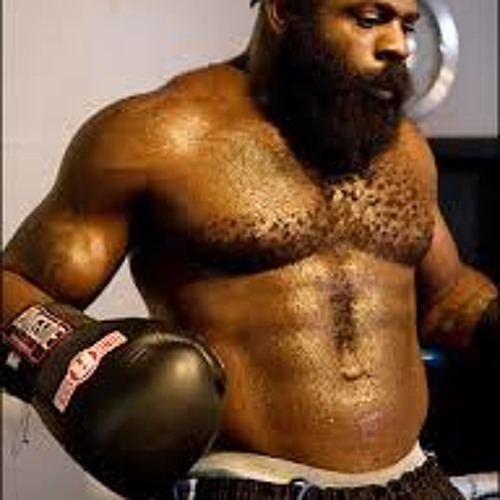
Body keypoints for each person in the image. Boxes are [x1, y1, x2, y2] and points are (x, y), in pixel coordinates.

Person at [2, 0, 499, 498]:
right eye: (369, 19)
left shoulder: (403, 147)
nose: (398, 45)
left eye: (406, 25)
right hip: (250, 487)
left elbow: (449, 296)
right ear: (283, 10)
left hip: (414, 482)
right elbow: (13, 287)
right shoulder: (158, 135)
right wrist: (70, 356)